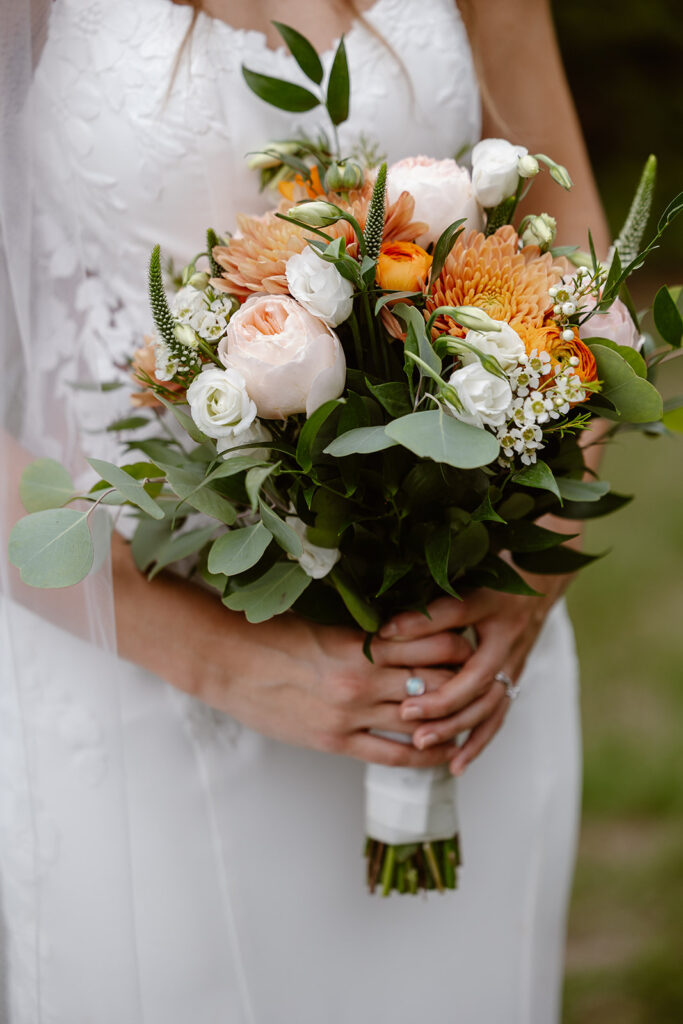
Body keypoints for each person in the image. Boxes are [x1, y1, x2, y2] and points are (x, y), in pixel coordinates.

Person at [0, 0, 610, 1021]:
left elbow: (584, 250)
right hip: (135, 685)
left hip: (463, 675)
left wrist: (537, 566)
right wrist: (222, 663)